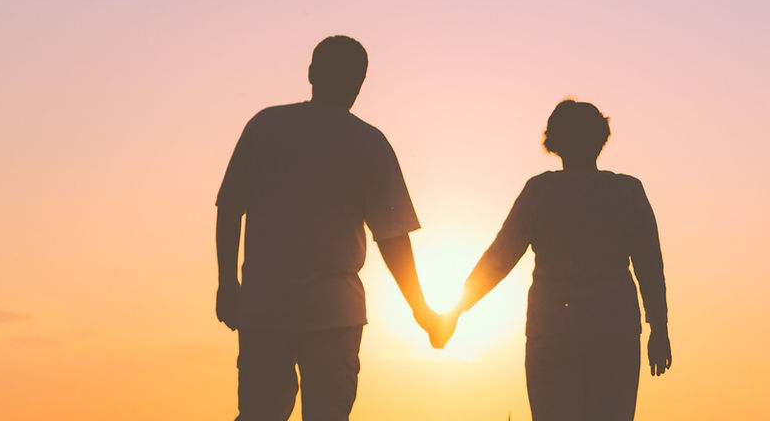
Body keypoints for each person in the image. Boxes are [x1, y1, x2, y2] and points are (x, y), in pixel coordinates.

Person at [215, 35, 450, 421]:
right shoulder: (369, 142)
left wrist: (227, 282)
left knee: (259, 413)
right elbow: (392, 237)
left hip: (264, 306)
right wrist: (420, 309)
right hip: (334, 313)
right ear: (360, 81)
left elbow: (229, 208)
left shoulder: (265, 126)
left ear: (310, 73)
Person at [446, 98, 672, 420]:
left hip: (553, 334)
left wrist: (455, 310)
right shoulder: (627, 192)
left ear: (554, 141)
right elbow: (650, 268)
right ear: (600, 139)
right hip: (613, 331)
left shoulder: (541, 192)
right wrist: (659, 329)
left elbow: (500, 257)